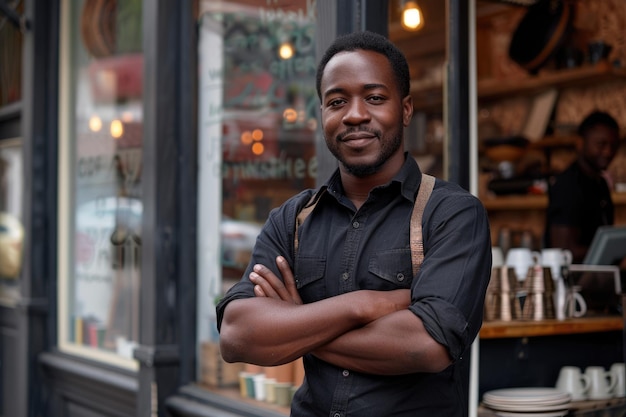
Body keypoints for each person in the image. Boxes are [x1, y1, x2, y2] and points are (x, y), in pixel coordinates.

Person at [216, 31, 492, 417]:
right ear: (323, 115)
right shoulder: (291, 219)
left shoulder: (451, 214)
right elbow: (236, 335)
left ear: (406, 108)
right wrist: (363, 305)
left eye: (375, 98)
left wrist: (299, 323)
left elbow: (428, 345)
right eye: (337, 101)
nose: (355, 114)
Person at [545, 110, 620, 264]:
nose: (608, 152)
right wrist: (614, 251)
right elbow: (563, 250)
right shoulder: (568, 185)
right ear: (580, 143)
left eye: (613, 145)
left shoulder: (601, 184)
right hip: (570, 283)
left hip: (596, 279)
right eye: (601, 144)